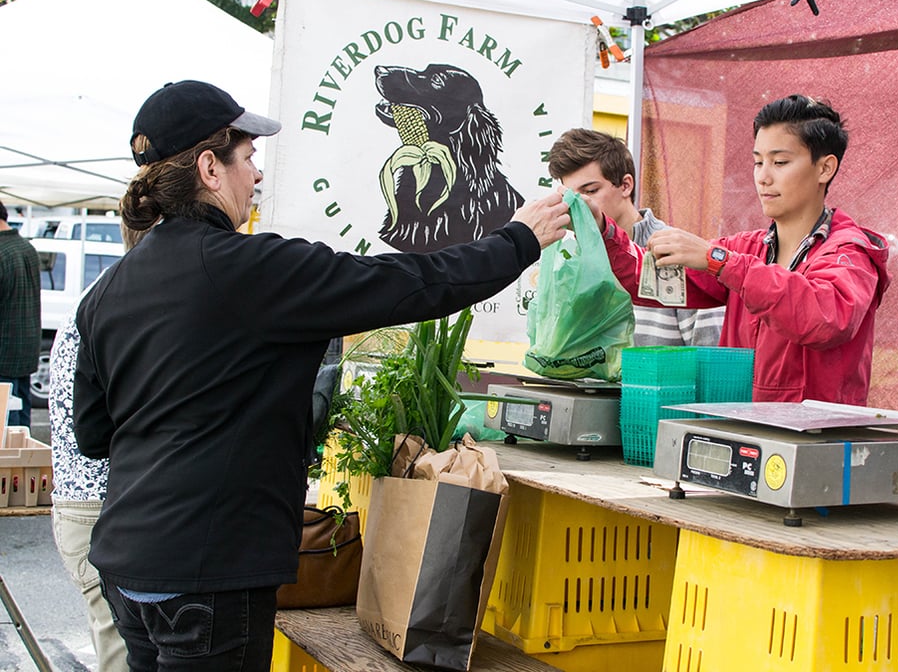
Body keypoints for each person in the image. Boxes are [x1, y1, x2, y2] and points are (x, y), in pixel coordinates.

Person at [72, 79, 569, 672]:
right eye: (249, 157)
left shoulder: (107, 291)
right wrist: (518, 240)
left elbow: (94, 434)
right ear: (210, 167)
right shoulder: (248, 270)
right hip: (209, 573)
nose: (256, 176)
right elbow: (411, 283)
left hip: (128, 565)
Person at [594, 95, 890, 405]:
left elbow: (824, 319)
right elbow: (650, 283)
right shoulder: (746, 249)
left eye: (780, 162)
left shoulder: (849, 253)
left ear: (825, 168)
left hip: (813, 441)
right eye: (758, 162)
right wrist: (602, 229)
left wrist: (720, 262)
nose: (763, 177)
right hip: (737, 427)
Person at [49, 222, 149, 672]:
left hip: (89, 504)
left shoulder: (108, 294)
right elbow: (102, 429)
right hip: (98, 504)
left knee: (122, 645)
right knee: (121, 654)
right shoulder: (120, 302)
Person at [547, 128, 724, 347]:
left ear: (626, 185)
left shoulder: (677, 253)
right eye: (570, 196)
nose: (581, 204)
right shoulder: (568, 262)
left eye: (591, 191)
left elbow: (712, 357)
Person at [0, 199, 41, 426]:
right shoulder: (27, 248)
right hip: (25, 352)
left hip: (3, 356)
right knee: (22, 433)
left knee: (7, 435)